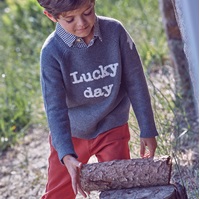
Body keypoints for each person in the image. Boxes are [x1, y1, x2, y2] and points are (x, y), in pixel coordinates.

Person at [37, 0, 158, 198]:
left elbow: (136, 81)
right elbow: (55, 108)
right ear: (51, 17)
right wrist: (66, 154)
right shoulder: (51, 52)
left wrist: (147, 128)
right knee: (58, 193)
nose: (81, 23)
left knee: (120, 189)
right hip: (72, 133)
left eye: (87, 12)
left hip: (112, 127)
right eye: (69, 19)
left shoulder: (115, 32)